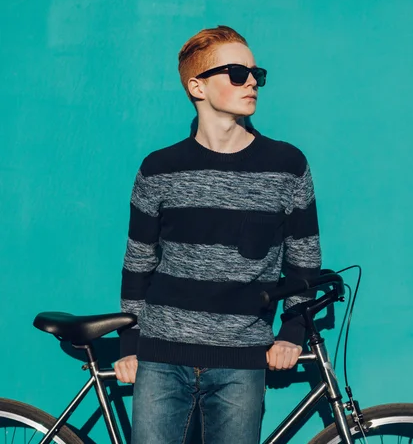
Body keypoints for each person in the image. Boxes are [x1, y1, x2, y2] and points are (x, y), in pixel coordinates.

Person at [114, 25, 322, 444]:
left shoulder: (287, 165)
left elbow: (304, 260)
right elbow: (139, 263)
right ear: (197, 87)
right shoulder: (158, 169)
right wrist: (131, 344)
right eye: (236, 73)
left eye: (255, 74)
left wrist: (291, 332)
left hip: (242, 362)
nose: (252, 84)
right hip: (160, 358)